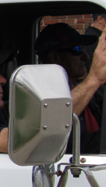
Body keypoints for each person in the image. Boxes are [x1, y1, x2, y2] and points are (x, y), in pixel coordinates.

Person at [35, 23, 105, 152]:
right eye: (77, 49)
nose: (85, 57)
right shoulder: (38, 98)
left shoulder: (93, 94)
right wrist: (93, 79)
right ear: (54, 57)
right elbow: (49, 124)